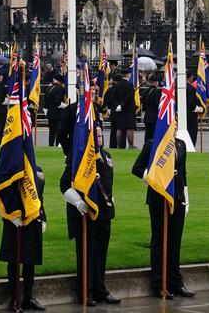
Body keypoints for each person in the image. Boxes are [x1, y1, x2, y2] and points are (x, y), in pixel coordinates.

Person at [131, 121, 190, 298]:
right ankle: (158, 283)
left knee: (175, 241)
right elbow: (137, 168)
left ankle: (175, 282)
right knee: (159, 241)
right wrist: (153, 178)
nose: (174, 127)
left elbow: (183, 173)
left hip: (177, 198)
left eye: (176, 124)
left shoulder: (181, 144)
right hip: (158, 199)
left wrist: (186, 197)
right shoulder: (152, 145)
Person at [61, 124, 115, 307]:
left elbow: (108, 183)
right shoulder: (78, 157)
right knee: (86, 255)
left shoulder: (107, 156)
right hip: (86, 213)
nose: (99, 138)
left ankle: (101, 289)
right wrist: (77, 202)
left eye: (101, 135)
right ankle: (85, 291)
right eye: (96, 135)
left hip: (104, 213)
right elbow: (64, 184)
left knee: (101, 254)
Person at [0, 161, 45, 313]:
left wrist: (43, 218)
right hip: (14, 222)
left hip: (32, 220)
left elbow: (39, 198)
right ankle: (14, 298)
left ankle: (28, 297)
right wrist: (10, 216)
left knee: (30, 261)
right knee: (13, 261)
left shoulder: (36, 170)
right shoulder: (7, 169)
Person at [105, 70, 135, 150]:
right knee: (129, 127)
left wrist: (119, 105)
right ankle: (131, 145)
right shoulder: (129, 84)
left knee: (119, 128)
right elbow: (129, 97)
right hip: (128, 109)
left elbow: (113, 97)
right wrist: (122, 105)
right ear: (128, 74)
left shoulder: (118, 85)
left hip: (118, 109)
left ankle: (118, 145)